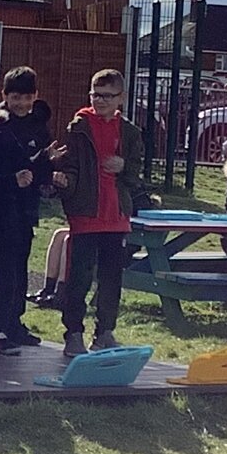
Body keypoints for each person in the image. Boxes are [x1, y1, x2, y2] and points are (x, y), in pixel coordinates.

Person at [57, 68, 144, 356]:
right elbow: (69, 166)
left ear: (122, 98)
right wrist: (66, 186)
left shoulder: (130, 132)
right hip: (86, 214)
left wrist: (125, 168)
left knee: (111, 277)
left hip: (116, 216)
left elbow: (136, 174)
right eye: (96, 95)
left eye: (108, 96)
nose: (101, 101)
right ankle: (73, 332)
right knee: (79, 277)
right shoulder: (79, 127)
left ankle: (105, 331)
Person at [0, 67, 58, 350]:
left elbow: (38, 168)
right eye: (16, 97)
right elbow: (0, 166)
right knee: (1, 269)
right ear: (5, 95)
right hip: (0, 208)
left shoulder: (38, 125)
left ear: (35, 96)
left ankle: (15, 323)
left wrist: (50, 171)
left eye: (27, 98)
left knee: (20, 268)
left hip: (26, 209)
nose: (22, 103)